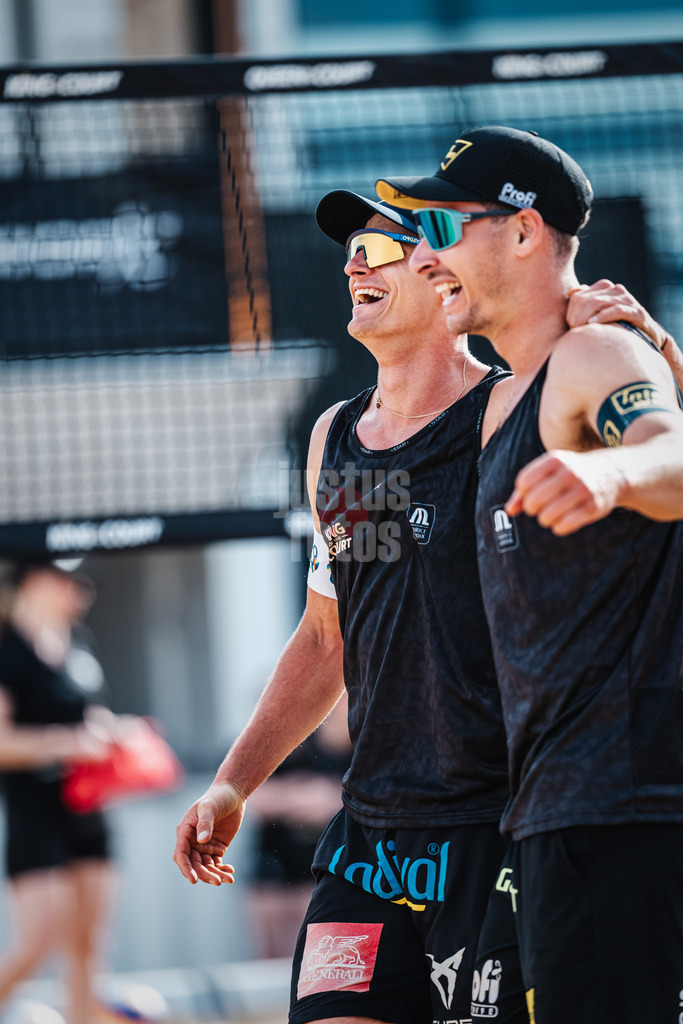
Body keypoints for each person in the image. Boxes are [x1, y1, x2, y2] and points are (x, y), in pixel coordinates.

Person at [173, 181, 674, 1024]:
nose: (352, 267)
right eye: (348, 253)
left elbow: (661, 448)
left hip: (498, 822)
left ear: (443, 275)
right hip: (371, 836)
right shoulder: (336, 436)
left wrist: (647, 344)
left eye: (376, 251)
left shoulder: (512, 409)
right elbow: (327, 638)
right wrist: (232, 784)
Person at [390, 124, 683, 1023]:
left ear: (523, 232)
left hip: (623, 806)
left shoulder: (594, 356)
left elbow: (672, 455)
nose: (423, 258)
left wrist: (610, 473)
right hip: (558, 809)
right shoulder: (507, 399)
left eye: (441, 230)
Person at [0, 561, 148, 1024]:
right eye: (69, 580)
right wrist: (68, 743)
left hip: (87, 808)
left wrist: (114, 733)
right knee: (36, 944)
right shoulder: (8, 650)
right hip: (34, 813)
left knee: (88, 946)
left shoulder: (79, 643)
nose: (80, 590)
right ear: (34, 581)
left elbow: (88, 715)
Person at [247, 694, 351, 960]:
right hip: (275, 869)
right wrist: (301, 797)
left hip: (333, 872)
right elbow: (250, 799)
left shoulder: (367, 747)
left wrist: (330, 800)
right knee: (274, 962)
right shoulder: (291, 741)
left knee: (322, 961)